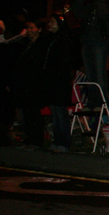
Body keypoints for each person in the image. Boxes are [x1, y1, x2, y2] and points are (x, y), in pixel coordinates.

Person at [71, 0, 109, 108]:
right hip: (88, 42)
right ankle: (93, 101)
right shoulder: (93, 6)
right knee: (90, 74)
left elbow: (103, 16)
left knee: (99, 73)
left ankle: (102, 103)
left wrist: (101, 1)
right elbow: (79, 14)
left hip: (100, 43)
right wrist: (79, 0)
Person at [11, 21, 47, 149]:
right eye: (28, 28)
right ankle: (29, 138)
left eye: (32, 28)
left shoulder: (41, 44)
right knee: (26, 112)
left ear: (39, 29)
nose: (29, 30)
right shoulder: (25, 44)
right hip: (24, 82)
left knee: (34, 112)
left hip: (35, 82)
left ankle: (36, 140)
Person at [43, 13, 75, 153]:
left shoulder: (64, 40)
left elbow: (65, 62)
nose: (50, 25)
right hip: (51, 80)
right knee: (55, 113)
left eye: (52, 22)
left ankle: (64, 142)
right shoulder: (50, 40)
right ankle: (57, 140)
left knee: (60, 113)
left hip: (60, 81)